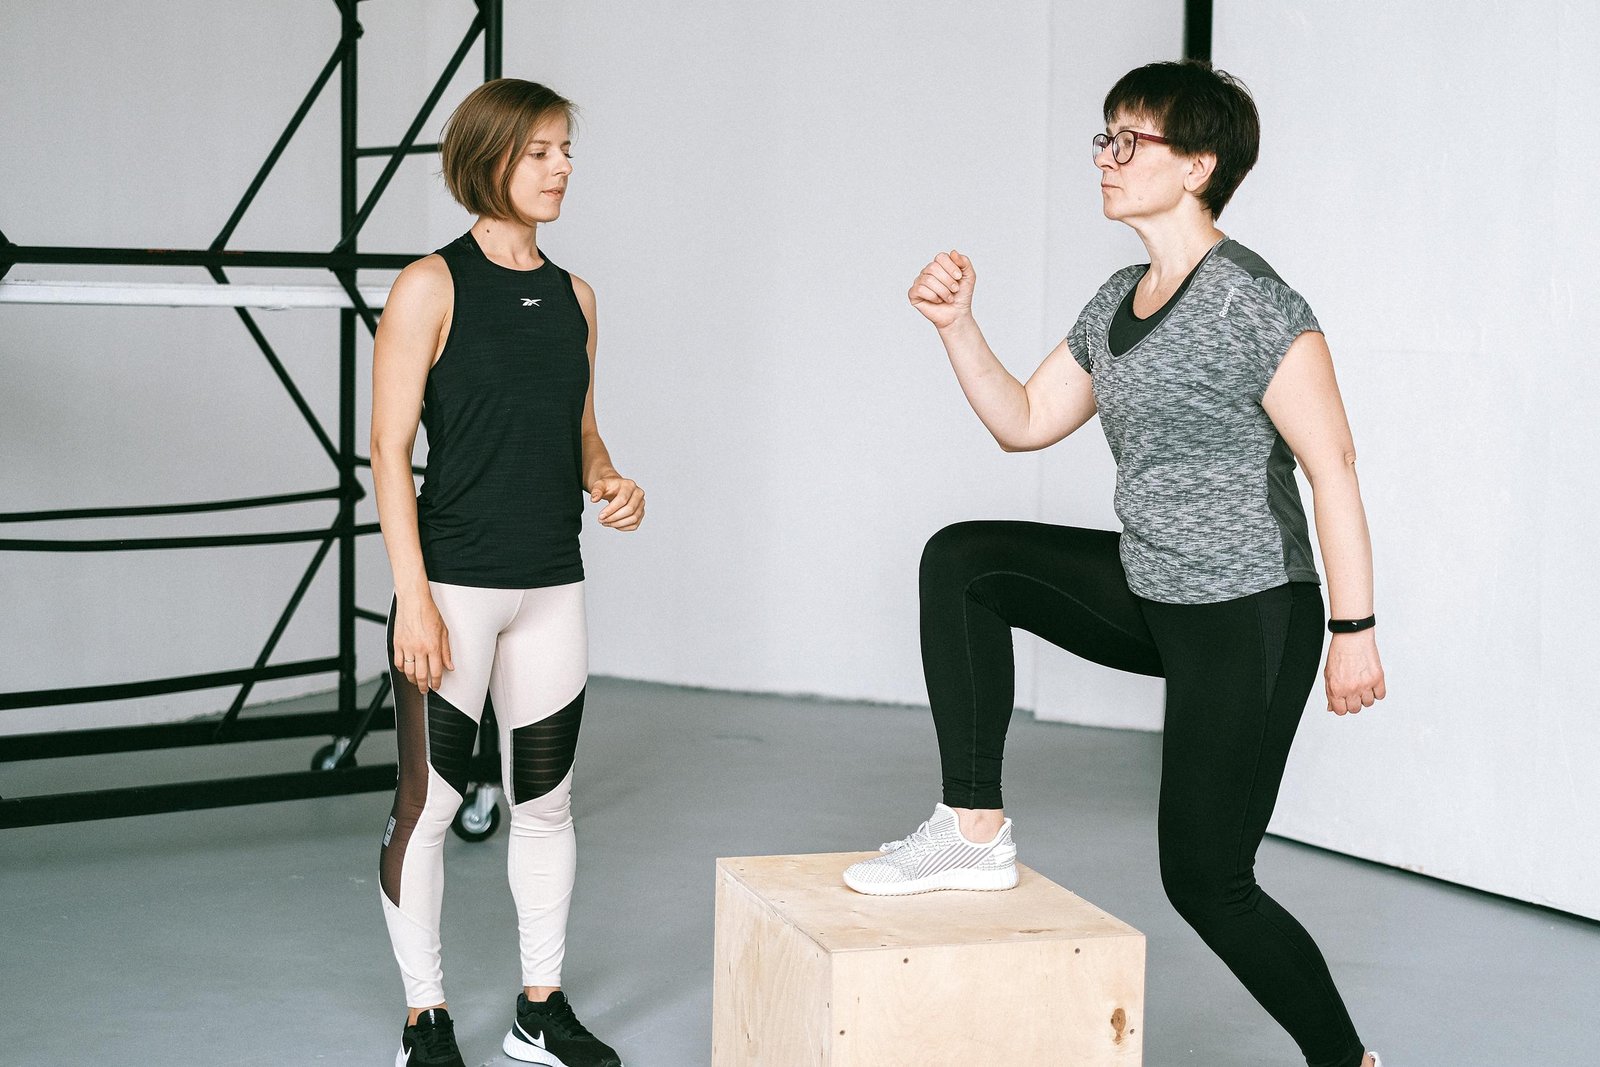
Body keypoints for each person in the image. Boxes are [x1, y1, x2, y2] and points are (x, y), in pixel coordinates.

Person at [842, 61, 1385, 1067]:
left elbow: (1332, 465)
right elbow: (1025, 420)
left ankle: (1344, 1058)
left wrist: (1353, 630)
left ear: (1197, 166)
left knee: (1206, 878)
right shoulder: (1115, 299)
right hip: (1151, 587)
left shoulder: (1254, 301)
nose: (1105, 155)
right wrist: (957, 328)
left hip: (1249, 610)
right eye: (1104, 135)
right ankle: (971, 826)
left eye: (1128, 140)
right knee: (963, 561)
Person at [370, 78, 641, 1067]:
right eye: (540, 151)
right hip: (454, 587)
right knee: (430, 805)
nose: (562, 165)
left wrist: (610, 479)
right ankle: (424, 1016)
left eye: (566, 148)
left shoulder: (576, 297)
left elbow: (577, 431)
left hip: (550, 583)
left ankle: (538, 1008)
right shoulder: (429, 286)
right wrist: (413, 594)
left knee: (548, 802)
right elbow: (389, 448)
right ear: (487, 159)